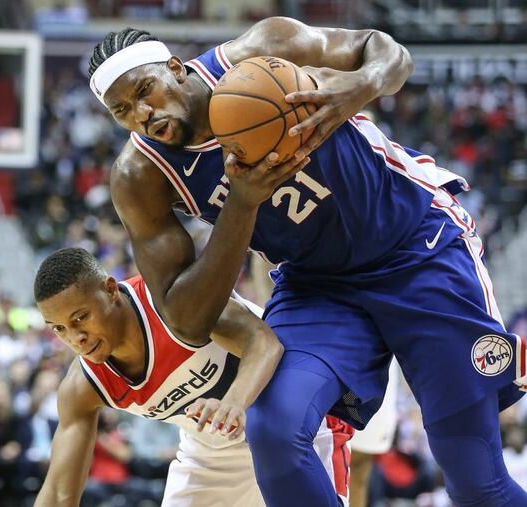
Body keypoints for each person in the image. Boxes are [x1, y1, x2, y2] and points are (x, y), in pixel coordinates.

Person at [87, 17, 527, 507]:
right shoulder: (140, 175)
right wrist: (242, 203)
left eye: (146, 91)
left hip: (418, 248)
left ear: (176, 68)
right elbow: (186, 321)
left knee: (476, 482)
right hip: (319, 285)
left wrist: (358, 86)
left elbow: (387, 51)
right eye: (123, 110)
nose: (143, 113)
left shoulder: (264, 49)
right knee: (274, 430)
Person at [32, 248, 352, 506]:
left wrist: (235, 401)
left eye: (80, 318)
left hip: (291, 421)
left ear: (111, 290)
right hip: (211, 454)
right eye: (59, 329)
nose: (76, 339)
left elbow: (264, 342)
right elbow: (60, 494)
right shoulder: (84, 385)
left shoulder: (171, 301)